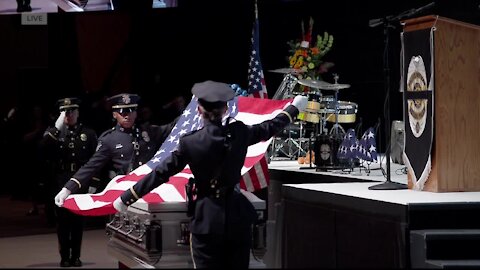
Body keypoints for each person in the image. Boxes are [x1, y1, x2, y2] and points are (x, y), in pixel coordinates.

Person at [113, 81, 308, 268]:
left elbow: (161, 173)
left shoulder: (190, 142)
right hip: (237, 216)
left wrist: (128, 196)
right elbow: (270, 127)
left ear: (199, 110)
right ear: (225, 110)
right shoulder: (239, 132)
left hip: (207, 219)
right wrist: (294, 108)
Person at [54, 93, 179, 206]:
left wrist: (195, 107)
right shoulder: (109, 139)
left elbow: (174, 127)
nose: (127, 116)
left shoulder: (148, 131)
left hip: (150, 187)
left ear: (136, 113)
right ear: (115, 114)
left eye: (130, 111)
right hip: (126, 192)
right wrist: (68, 188)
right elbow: (91, 166)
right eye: (122, 112)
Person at [40, 98, 98, 267]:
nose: (69, 114)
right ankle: (65, 256)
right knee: (63, 222)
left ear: (78, 112)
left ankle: (76, 256)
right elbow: (42, 150)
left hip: (81, 181)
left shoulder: (88, 133)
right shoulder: (54, 134)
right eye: (65, 112)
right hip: (60, 181)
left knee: (78, 222)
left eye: (72, 111)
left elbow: (95, 160)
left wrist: (93, 182)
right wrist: (56, 128)